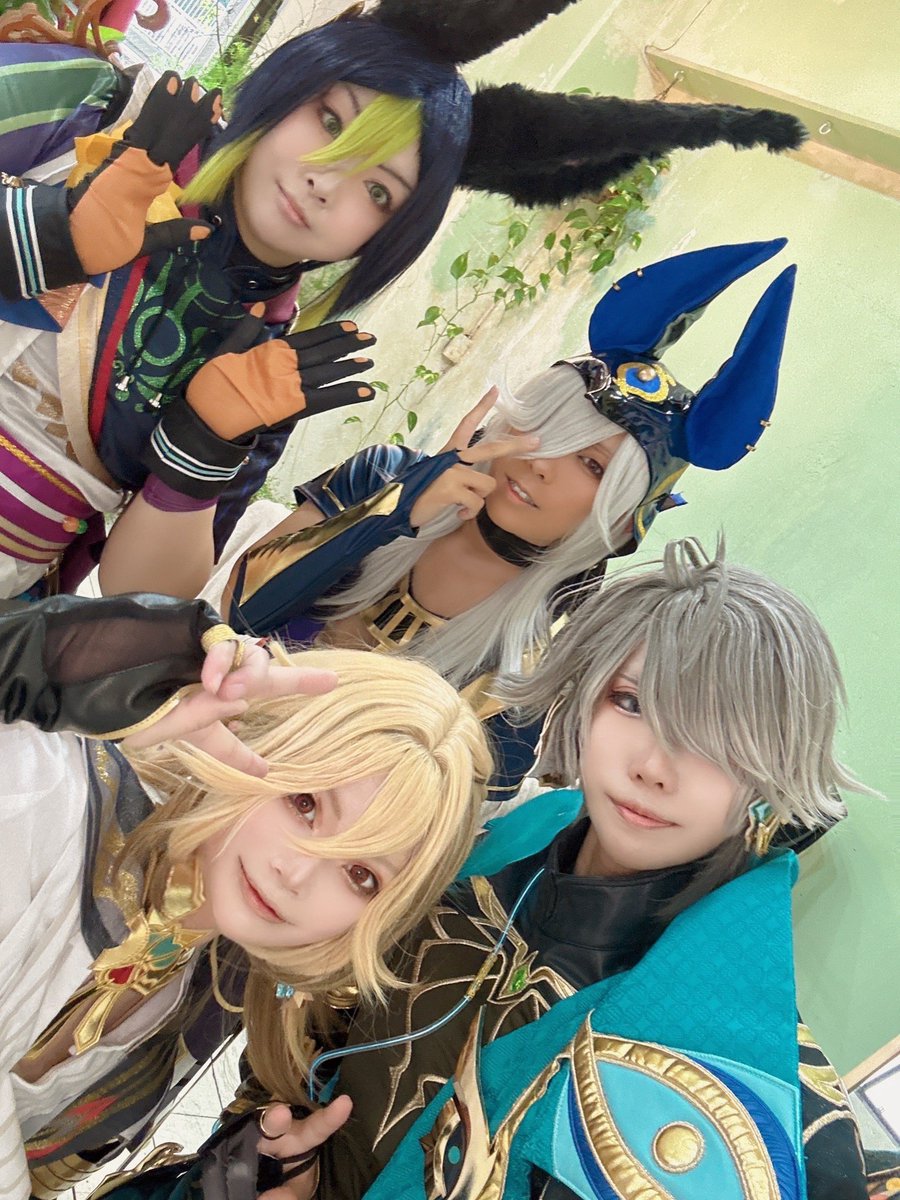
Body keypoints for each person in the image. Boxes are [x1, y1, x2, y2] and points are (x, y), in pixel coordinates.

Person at [0, 0, 807, 602]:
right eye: (330, 121)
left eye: (379, 190)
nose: (327, 182)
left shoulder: (274, 367)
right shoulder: (96, 111)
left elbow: (143, 594)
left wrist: (201, 444)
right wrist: (47, 237)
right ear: (291, 83)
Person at [222, 538, 867, 1200]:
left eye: (721, 745)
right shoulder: (506, 838)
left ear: (772, 770)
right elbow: (324, 1018)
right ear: (587, 690)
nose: (653, 767)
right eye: (632, 703)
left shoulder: (759, 1090)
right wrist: (282, 1154)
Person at [103, 238, 797, 803]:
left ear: (621, 525)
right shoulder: (384, 478)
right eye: (544, 427)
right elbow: (237, 614)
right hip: (163, 745)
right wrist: (393, 515)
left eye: (590, 466)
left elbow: (461, 796)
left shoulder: (562, 639)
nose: (541, 463)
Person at [0, 590, 490, 1200]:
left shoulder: (215, 990)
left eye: (360, 874)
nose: (297, 873)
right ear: (256, 737)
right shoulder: (46, 797)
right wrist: (34, 653)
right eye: (305, 803)